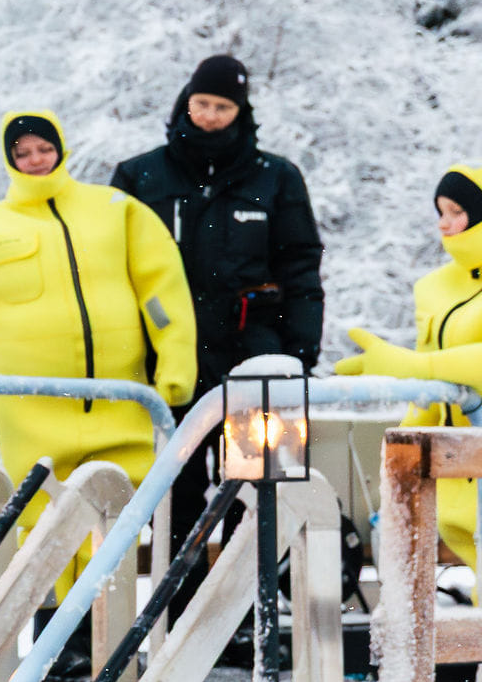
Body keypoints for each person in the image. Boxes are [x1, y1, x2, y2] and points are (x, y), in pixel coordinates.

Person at [0, 108, 197, 532]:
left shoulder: (117, 210)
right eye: (23, 152)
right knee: (42, 519)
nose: (37, 159)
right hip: (32, 409)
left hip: (120, 401)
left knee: (118, 517)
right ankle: (52, 602)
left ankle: (105, 601)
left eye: (45, 148)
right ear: (9, 160)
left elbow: (160, 293)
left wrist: (176, 361)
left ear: (62, 148)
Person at [336, 159, 482, 682]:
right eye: (441, 214)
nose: (446, 226)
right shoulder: (438, 287)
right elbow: (435, 386)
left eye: (458, 213)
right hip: (462, 463)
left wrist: (409, 366)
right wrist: (402, 446)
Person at [110, 52, 324, 553]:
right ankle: (183, 618)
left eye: (222, 107)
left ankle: (251, 617)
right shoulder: (139, 177)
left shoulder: (277, 178)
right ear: (186, 101)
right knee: (175, 496)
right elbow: (109, 273)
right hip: (169, 364)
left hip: (256, 361)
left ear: (240, 112)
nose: (209, 115)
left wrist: (299, 355)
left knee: (259, 493)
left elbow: (301, 267)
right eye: (201, 103)